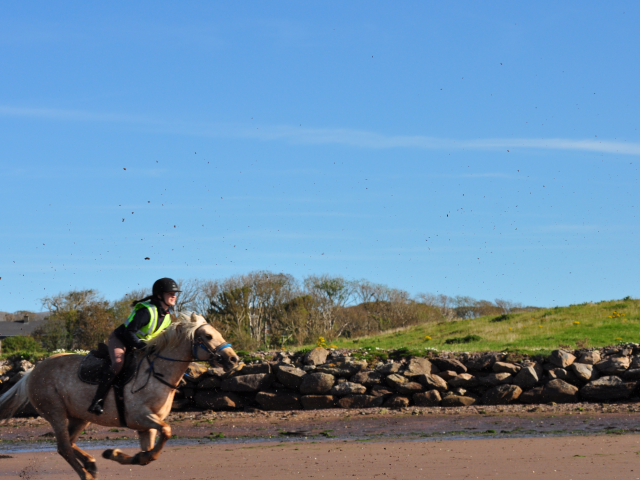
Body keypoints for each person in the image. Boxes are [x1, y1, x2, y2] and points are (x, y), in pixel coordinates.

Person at [88, 277, 181, 415]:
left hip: (139, 343)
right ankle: (97, 400)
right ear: (159, 295)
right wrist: (140, 345)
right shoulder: (146, 311)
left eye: (175, 293)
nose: (174, 296)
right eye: (170, 293)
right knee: (118, 363)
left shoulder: (167, 316)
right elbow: (128, 332)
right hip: (121, 339)